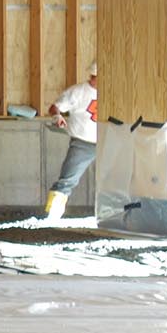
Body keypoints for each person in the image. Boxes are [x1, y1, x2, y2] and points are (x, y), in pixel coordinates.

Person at [44, 62, 99, 219]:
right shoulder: (78, 91)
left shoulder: (112, 92)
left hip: (107, 142)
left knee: (116, 179)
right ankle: (52, 214)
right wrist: (57, 116)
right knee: (67, 179)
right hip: (83, 142)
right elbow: (55, 107)